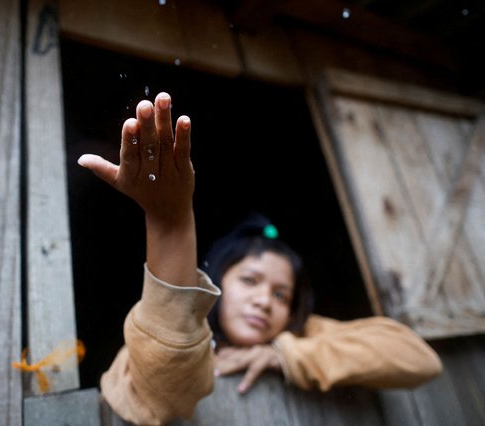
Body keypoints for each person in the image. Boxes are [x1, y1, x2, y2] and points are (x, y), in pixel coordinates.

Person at [77, 92, 442, 425]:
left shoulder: (302, 333)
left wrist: (284, 355)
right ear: (219, 279)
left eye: (282, 295)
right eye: (250, 280)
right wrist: (170, 225)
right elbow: (163, 394)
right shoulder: (160, 329)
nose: (265, 301)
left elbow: (419, 360)